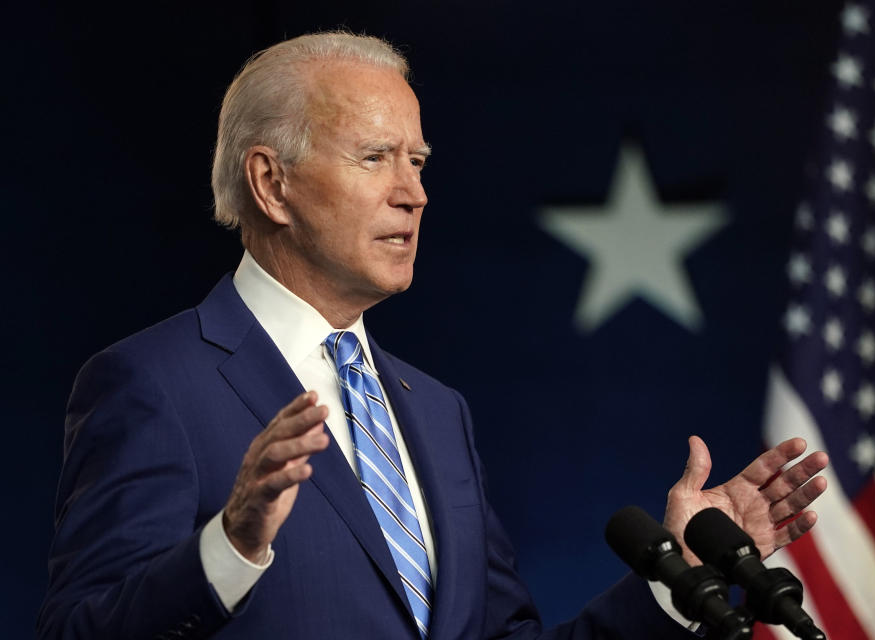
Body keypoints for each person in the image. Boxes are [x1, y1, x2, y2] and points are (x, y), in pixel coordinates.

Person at [38, 32, 828, 639]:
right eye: (376, 158)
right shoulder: (154, 383)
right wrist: (228, 549)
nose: (412, 193)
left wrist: (677, 577)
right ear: (271, 183)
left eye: (417, 162)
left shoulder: (435, 410)